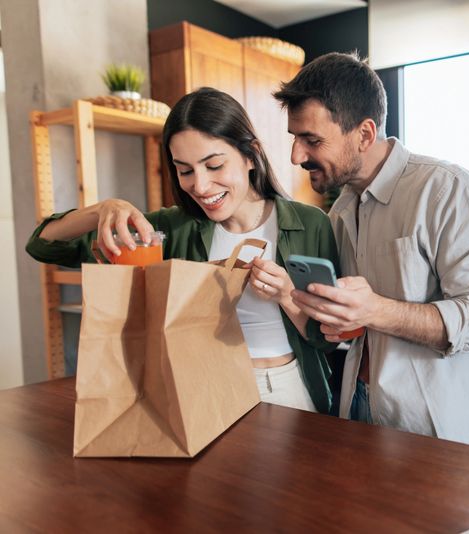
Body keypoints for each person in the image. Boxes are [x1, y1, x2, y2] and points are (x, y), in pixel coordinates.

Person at [26, 87, 338, 414]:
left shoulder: (311, 224)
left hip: (288, 387)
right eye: (185, 170)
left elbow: (326, 338)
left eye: (214, 165)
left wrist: (287, 295)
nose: (200, 186)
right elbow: (43, 245)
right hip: (202, 389)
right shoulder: (171, 228)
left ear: (250, 155)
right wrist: (101, 210)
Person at [274, 53, 469, 447]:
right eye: (295, 138)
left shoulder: (451, 192)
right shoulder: (341, 212)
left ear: (364, 133)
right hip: (360, 407)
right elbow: (361, 326)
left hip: (440, 427)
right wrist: (338, 319)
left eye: (312, 140)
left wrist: (372, 308)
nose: (296, 155)